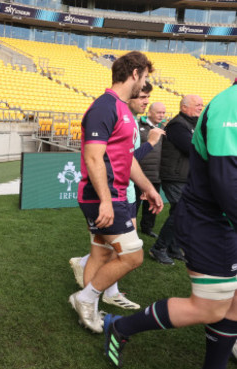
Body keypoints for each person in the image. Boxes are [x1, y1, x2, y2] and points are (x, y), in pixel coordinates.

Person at [103, 81, 237, 369]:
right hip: (210, 221)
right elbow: (225, 179)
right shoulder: (228, 107)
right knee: (206, 306)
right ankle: (120, 328)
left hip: (223, 219)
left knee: (233, 302)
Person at [69, 51, 163, 333]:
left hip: (114, 195)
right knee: (133, 255)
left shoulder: (122, 108)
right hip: (103, 197)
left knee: (100, 254)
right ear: (134, 73)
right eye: (144, 77)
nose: (144, 83)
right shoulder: (104, 107)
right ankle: (85, 299)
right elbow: (93, 158)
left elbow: (128, 159)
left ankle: (89, 308)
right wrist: (107, 203)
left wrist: (148, 189)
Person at [149, 95, 203, 265]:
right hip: (174, 176)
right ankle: (159, 248)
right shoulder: (178, 125)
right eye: (197, 105)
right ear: (184, 107)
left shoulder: (191, 124)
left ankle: (173, 247)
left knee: (180, 212)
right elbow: (191, 148)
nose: (201, 108)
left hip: (183, 175)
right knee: (181, 211)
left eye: (202, 105)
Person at [135, 101, 166, 238]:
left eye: (163, 113)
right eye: (159, 112)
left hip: (155, 173)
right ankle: (130, 227)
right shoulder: (137, 125)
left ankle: (147, 228)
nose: (161, 115)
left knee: (152, 204)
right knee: (134, 203)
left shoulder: (163, 128)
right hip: (137, 173)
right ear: (150, 112)